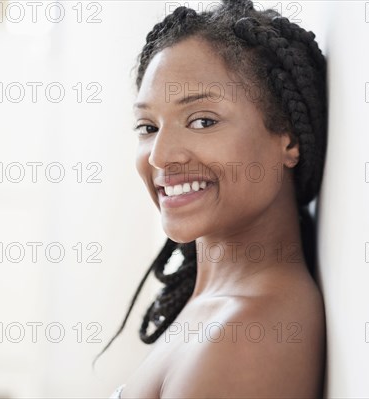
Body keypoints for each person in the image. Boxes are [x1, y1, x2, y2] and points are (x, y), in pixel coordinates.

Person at [98, 1, 328, 397]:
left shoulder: (248, 334)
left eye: (202, 121)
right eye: (148, 126)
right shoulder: (217, 306)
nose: (159, 155)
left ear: (287, 139)